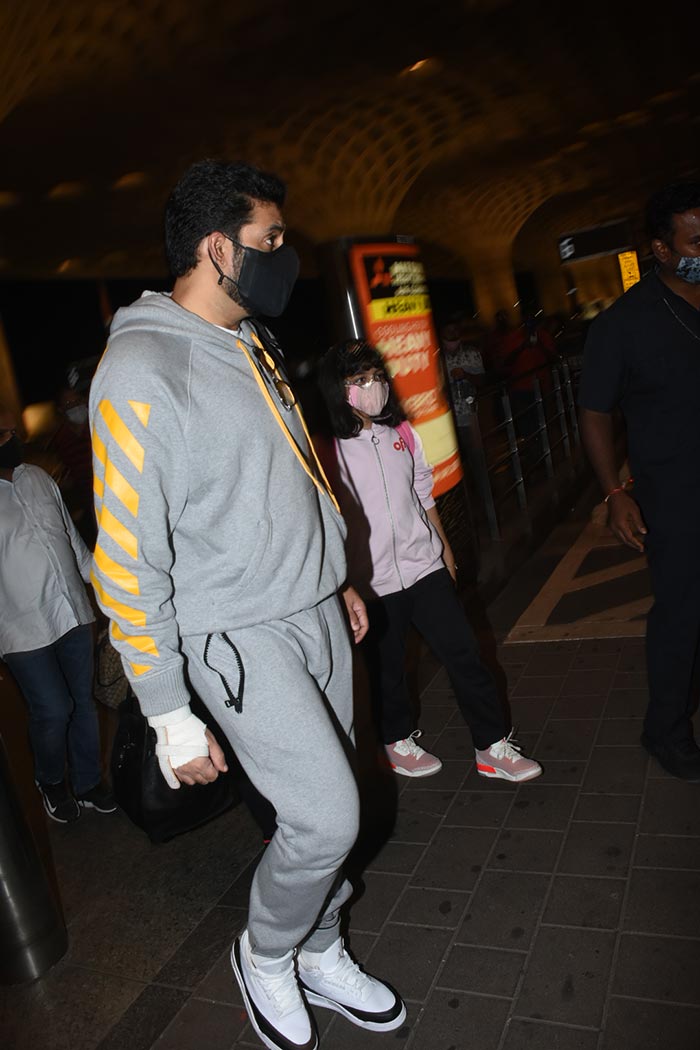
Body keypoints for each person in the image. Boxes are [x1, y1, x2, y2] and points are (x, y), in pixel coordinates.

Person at [88, 159, 405, 1050]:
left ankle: (320, 945)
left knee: (342, 800)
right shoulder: (141, 367)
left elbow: (287, 478)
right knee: (327, 815)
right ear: (216, 245)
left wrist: (332, 573)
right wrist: (168, 713)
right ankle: (267, 954)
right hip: (235, 634)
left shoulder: (248, 342)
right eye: (270, 241)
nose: (284, 257)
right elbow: (125, 560)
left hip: (311, 612)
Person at [316, 339, 543, 783]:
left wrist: (445, 548)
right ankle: (396, 740)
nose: (373, 387)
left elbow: (423, 495)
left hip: (424, 566)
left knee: (466, 654)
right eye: (359, 380)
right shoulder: (328, 450)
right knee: (390, 667)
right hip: (373, 582)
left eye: (377, 377)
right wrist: (344, 583)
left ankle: (491, 746)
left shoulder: (402, 434)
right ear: (337, 389)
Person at [578, 180, 700, 782]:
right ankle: (667, 730)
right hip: (675, 494)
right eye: (695, 241)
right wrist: (614, 492)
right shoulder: (624, 324)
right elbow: (595, 410)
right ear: (660, 248)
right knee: (682, 613)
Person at [0, 406, 115, 824]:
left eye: (10, 429)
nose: (11, 436)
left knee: (83, 703)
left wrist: (104, 590)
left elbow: (69, 537)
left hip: (72, 612)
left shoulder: (38, 477)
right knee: (52, 709)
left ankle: (86, 784)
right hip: (21, 628)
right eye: (2, 433)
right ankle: (50, 780)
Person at [48, 384, 97, 547]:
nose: (75, 407)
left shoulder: (96, 425)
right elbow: (66, 471)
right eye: (69, 405)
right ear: (61, 410)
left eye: (77, 401)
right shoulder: (61, 440)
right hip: (86, 503)